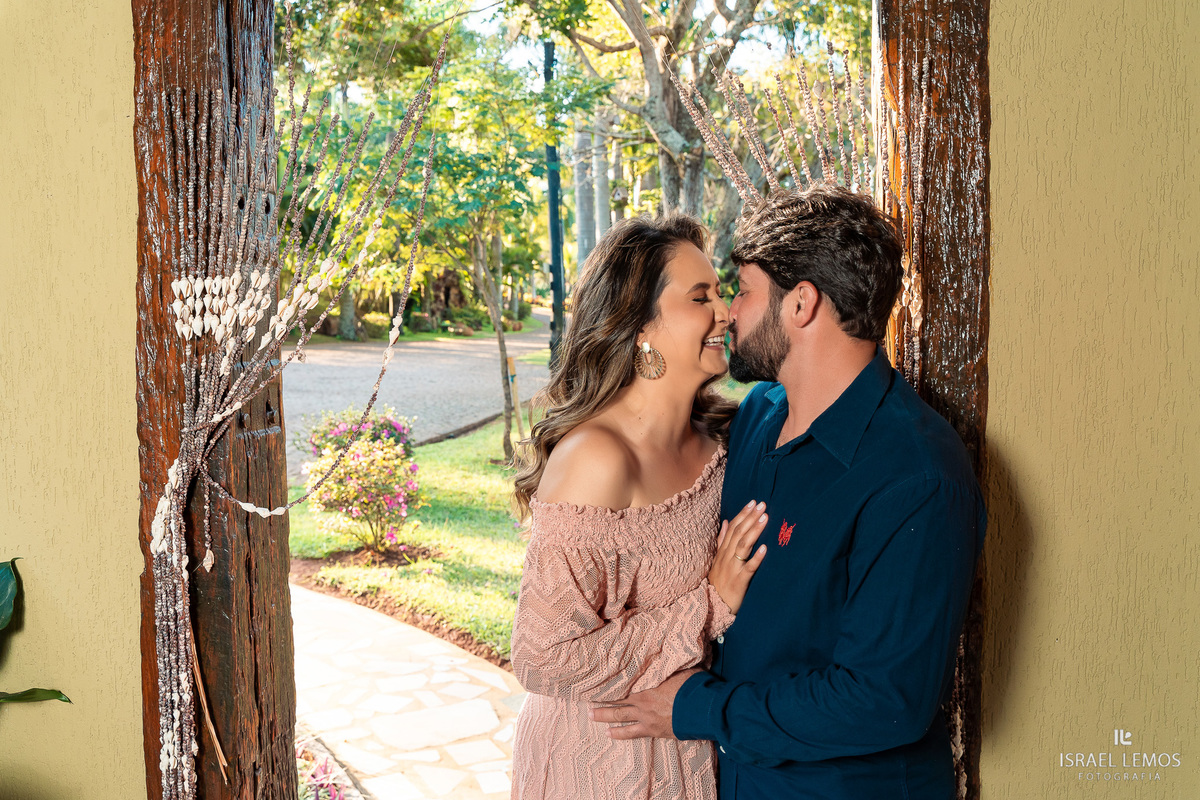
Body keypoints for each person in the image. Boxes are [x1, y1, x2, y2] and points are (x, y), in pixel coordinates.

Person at [590, 186, 987, 799]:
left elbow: (883, 701)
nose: (730, 312)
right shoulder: (757, 418)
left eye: (742, 291)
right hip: (741, 780)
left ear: (801, 304)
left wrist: (699, 709)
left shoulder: (918, 475)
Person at [508, 214, 771, 800]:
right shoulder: (597, 459)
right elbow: (542, 658)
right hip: (597, 760)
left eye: (722, 294)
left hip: (689, 750)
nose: (725, 312)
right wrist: (710, 604)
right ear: (640, 326)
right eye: (700, 297)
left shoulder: (724, 441)